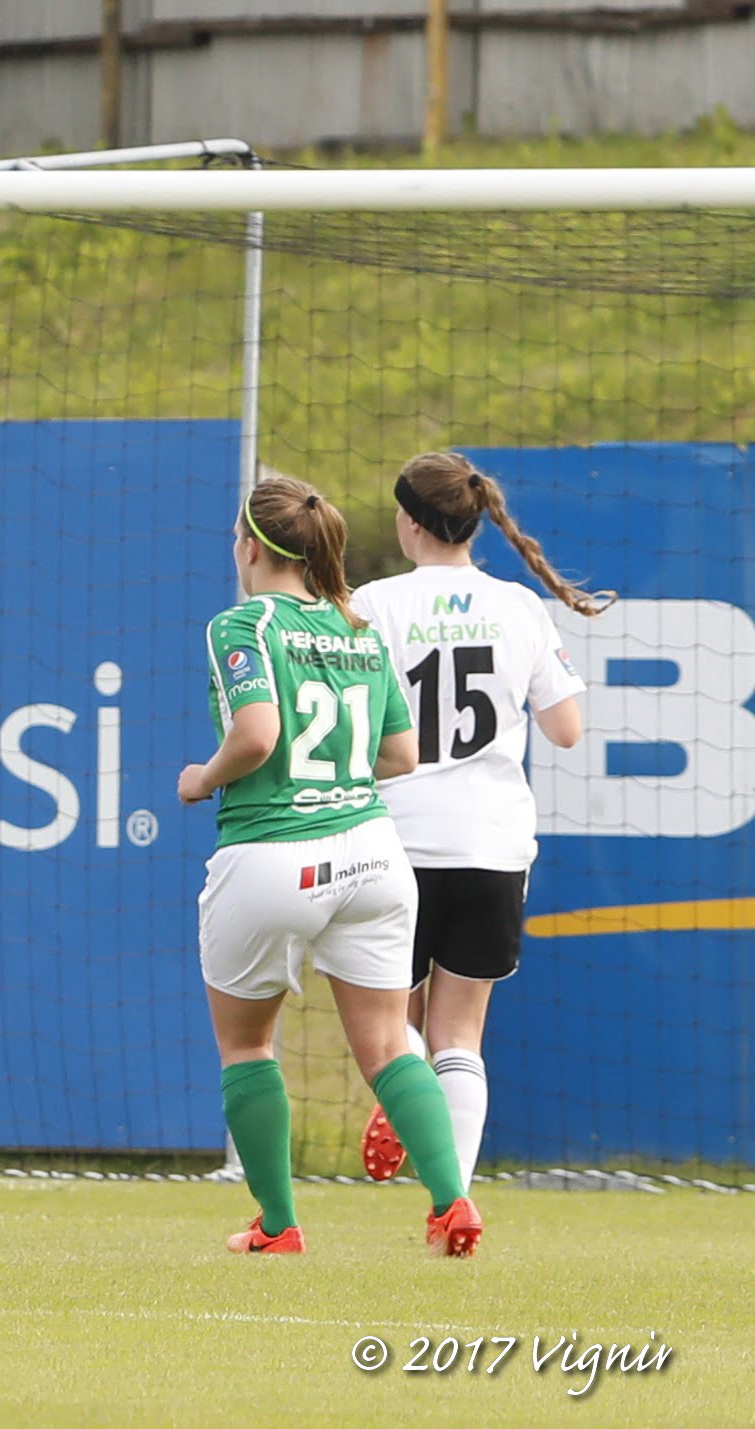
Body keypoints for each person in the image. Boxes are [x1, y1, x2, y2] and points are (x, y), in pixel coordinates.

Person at [178, 474, 479, 1257]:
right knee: (388, 1045)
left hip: (272, 853)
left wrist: (202, 778)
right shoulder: (358, 627)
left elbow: (257, 734)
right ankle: (452, 1202)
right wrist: (336, 775)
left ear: (251, 547)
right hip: (373, 854)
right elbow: (402, 754)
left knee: (248, 1046)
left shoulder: (242, 623)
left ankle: (279, 1225)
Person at [348, 452, 602, 1186]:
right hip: (490, 844)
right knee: (460, 1035)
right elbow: (566, 730)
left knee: (389, 1024)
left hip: (392, 840)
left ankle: (405, 1092)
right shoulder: (518, 606)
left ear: (410, 521)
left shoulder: (373, 604)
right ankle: (452, 1200)